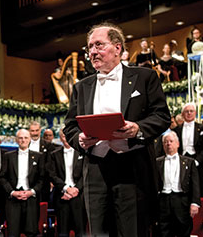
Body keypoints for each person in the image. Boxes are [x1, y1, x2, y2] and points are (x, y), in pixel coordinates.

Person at [63, 22, 171, 236]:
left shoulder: (144, 77)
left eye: (99, 45)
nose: (93, 52)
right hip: (95, 170)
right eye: (90, 47)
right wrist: (80, 139)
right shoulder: (81, 87)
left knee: (132, 231)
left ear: (118, 48)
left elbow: (162, 116)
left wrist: (138, 128)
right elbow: (70, 126)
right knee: (98, 232)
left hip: (132, 168)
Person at [0, 129, 43, 237]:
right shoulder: (8, 156)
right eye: (20, 138)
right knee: (13, 233)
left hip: (31, 199)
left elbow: (42, 179)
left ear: (30, 139)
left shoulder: (39, 156)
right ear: (16, 140)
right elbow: (1, 177)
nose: (23, 140)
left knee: (31, 232)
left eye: (26, 137)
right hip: (13, 200)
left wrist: (31, 192)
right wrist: (12, 192)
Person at [156, 131, 200, 237]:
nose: (168, 144)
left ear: (178, 144)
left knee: (184, 230)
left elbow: (195, 184)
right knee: (163, 231)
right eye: (166, 142)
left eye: (171, 141)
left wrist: (195, 203)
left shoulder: (189, 162)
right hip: (163, 201)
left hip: (182, 201)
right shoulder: (157, 162)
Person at [48, 129, 85, 237]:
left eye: (68, 136)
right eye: (64, 136)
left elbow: (85, 174)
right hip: (62, 196)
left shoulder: (82, 152)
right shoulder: (54, 154)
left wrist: (76, 189)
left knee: (80, 230)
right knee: (62, 231)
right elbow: (52, 175)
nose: (66, 139)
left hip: (78, 196)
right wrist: (66, 189)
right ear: (60, 138)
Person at [173, 103, 203, 196]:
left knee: (200, 190)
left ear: (195, 113)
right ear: (182, 114)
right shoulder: (176, 130)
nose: (189, 113)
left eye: (191, 111)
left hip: (199, 163)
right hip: (181, 161)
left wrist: (197, 161)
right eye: (186, 111)